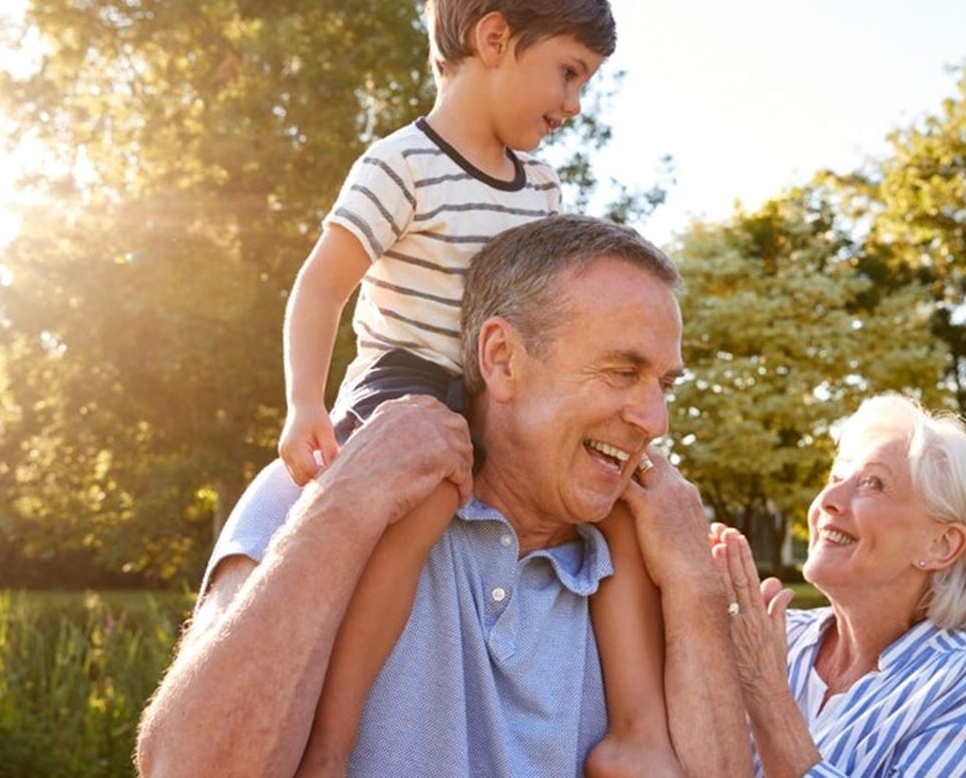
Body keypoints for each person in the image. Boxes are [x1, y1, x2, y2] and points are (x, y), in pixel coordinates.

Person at [219, 0, 666, 774]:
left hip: (495, 386)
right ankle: (332, 735)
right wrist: (301, 404)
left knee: (633, 494)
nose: (573, 104)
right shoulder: (401, 165)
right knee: (427, 496)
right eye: (567, 74)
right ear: (494, 40)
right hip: (408, 379)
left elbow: (553, 311)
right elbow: (319, 288)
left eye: (585, 83)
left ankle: (639, 727)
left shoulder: (538, 185)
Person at [135, 215, 753, 777]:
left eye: (663, 385)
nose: (656, 419)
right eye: (622, 372)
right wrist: (345, 505)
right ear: (502, 360)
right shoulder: (323, 488)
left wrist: (696, 583)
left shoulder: (645, 563)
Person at [710, 394, 966, 777]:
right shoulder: (772, 638)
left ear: (941, 544)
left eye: (873, 484)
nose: (828, 500)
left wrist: (765, 690)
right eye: (836, 477)